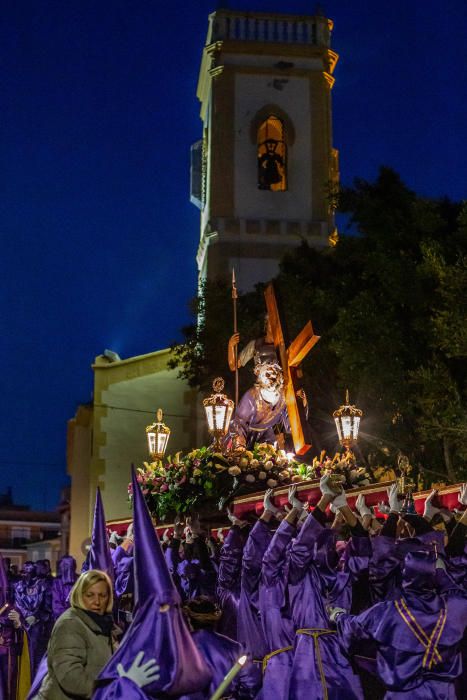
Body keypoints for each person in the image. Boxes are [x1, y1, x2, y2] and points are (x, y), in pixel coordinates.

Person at [37, 569, 119, 699]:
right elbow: (70, 677)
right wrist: (113, 690)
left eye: (102, 595)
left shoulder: (106, 625)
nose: (97, 602)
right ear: (80, 595)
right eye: (90, 595)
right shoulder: (70, 624)